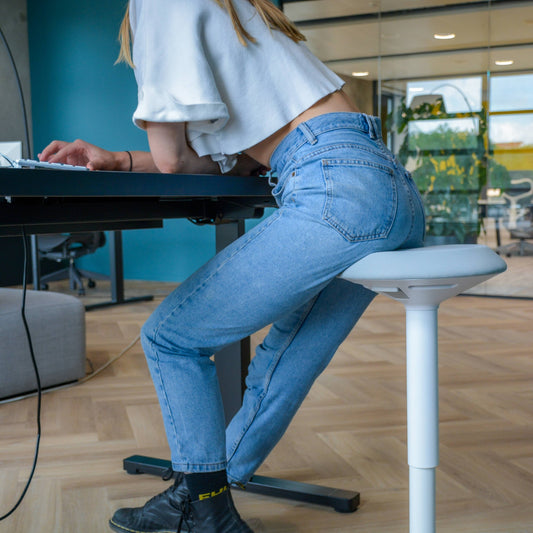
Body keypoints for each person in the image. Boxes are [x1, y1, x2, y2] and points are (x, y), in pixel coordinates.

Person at [39, 1, 426, 531]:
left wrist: (146, 153)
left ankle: (204, 505)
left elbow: (175, 162)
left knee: (172, 337)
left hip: (332, 186)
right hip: (385, 187)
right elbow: (234, 158)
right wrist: (122, 159)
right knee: (283, 357)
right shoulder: (237, 8)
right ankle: (201, 501)